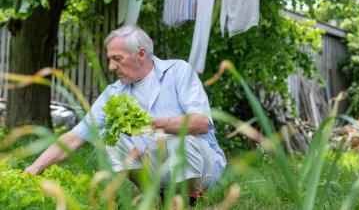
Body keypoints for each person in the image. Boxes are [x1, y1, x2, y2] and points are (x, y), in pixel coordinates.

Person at [24, 25, 226, 205]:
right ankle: (153, 198)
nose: (111, 66)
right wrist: (34, 169)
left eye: (117, 59)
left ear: (140, 54)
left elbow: (201, 123)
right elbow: (75, 138)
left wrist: (151, 125)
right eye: (110, 59)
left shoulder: (178, 71)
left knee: (176, 138)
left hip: (200, 167)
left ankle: (188, 200)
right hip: (157, 167)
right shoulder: (114, 93)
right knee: (113, 139)